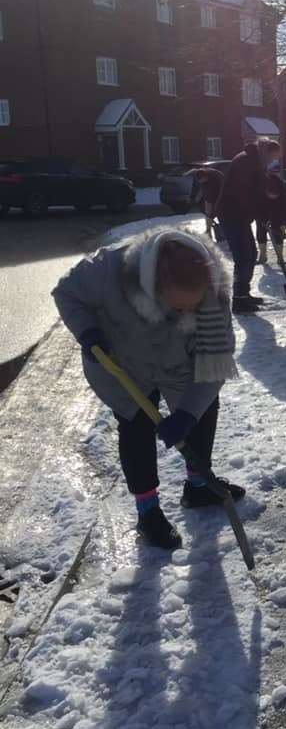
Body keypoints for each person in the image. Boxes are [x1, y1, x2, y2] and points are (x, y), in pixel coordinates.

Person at [52, 228, 243, 550]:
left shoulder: (215, 294)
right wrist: (88, 333)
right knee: (135, 425)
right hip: (121, 363)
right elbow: (66, 293)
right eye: (177, 306)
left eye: (190, 309)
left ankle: (198, 486)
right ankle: (148, 511)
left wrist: (187, 414)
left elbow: (214, 363)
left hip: (177, 363)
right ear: (153, 283)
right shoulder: (109, 268)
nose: (185, 313)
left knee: (202, 411)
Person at [215, 139, 280, 313]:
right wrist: (258, 211)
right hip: (232, 214)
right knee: (243, 256)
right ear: (266, 152)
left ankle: (244, 294)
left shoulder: (255, 161)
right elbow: (244, 192)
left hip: (241, 215)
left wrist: (263, 210)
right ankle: (239, 301)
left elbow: (258, 190)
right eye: (273, 157)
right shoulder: (245, 161)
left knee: (250, 253)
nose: (273, 161)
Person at [256, 171, 286, 264]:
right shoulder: (260, 190)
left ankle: (280, 258)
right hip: (262, 211)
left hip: (278, 212)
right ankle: (262, 256)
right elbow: (254, 206)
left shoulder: (284, 194)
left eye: (275, 196)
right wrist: (260, 219)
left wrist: (285, 225)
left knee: (278, 234)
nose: (272, 197)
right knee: (261, 232)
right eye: (270, 195)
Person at [194, 166, 225, 238]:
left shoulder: (215, 178)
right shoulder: (200, 175)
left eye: (202, 180)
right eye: (199, 181)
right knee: (208, 213)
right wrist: (197, 198)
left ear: (205, 177)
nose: (200, 182)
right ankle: (208, 231)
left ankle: (224, 231)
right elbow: (203, 190)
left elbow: (222, 190)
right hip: (211, 195)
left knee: (220, 213)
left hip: (223, 196)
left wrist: (216, 205)